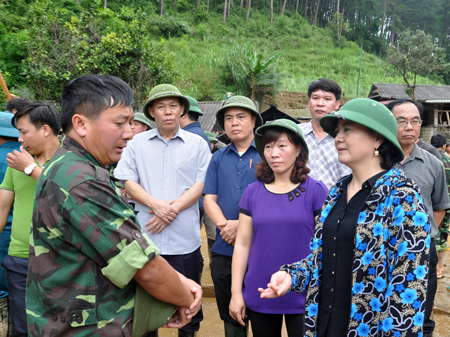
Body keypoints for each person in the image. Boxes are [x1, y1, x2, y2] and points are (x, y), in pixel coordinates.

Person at [26, 74, 202, 335]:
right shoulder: (81, 181)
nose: (130, 133)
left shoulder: (72, 166)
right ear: (81, 124)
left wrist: (178, 280)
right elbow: (145, 268)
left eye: (131, 123)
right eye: (121, 123)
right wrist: (186, 300)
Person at [259, 98, 430, 337]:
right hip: (325, 325)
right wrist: (291, 275)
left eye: (347, 130)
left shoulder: (402, 197)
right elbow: (325, 258)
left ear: (377, 139)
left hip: (368, 328)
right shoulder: (337, 191)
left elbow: (410, 285)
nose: (337, 138)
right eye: (337, 131)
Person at [115, 84, 210, 337]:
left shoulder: (198, 144)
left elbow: (201, 184)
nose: (168, 112)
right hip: (146, 239)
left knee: (188, 304)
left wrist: (171, 209)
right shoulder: (136, 143)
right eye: (161, 107)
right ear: (152, 112)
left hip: (184, 241)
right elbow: (127, 180)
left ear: (181, 110)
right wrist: (154, 204)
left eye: (173, 106)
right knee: (145, 310)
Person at [229, 119, 328, 337]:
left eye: (282, 145)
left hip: (304, 290)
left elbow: (325, 246)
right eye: (268, 146)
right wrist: (236, 293)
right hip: (261, 288)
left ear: (298, 148)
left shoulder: (316, 191)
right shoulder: (252, 192)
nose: (274, 153)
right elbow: (243, 244)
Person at [386, 98, 450, 337]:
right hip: (381, 250)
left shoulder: (432, 163)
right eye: (401, 121)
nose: (409, 127)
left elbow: (439, 207)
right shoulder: (375, 161)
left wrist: (420, 236)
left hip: (422, 252)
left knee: (421, 315)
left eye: (415, 121)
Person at [0, 102, 61, 337]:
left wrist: (30, 169)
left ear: (45, 130)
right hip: (20, 261)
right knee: (23, 329)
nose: (19, 139)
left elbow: (70, 195)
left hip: (61, 262)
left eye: (24, 132)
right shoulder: (16, 162)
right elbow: (2, 208)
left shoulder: (71, 161)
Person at [203, 96, 263, 337]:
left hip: (259, 247)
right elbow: (209, 197)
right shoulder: (217, 158)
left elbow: (274, 197)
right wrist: (224, 226)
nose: (234, 123)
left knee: (259, 311)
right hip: (223, 246)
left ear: (253, 121)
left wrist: (242, 225)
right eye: (228, 118)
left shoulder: (267, 155)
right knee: (230, 311)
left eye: (240, 117)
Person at [298, 78, 351, 189]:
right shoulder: (295, 134)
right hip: (297, 201)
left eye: (327, 99)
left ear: (337, 104)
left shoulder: (346, 138)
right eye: (315, 98)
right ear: (309, 102)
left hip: (333, 203)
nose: (320, 104)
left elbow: (349, 178)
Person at [430, 133, 450, 279]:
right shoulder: (448, 161)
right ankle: (440, 268)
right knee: (443, 234)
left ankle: (430, 266)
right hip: (447, 204)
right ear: (444, 146)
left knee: (432, 233)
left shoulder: (429, 159)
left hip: (433, 204)